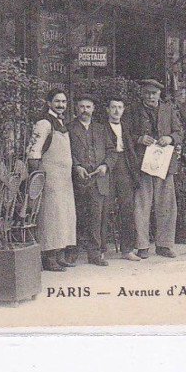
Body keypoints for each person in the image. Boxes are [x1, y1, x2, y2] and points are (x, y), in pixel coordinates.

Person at [131, 79, 184, 259]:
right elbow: (125, 133)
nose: (150, 96)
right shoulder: (133, 110)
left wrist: (170, 138)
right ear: (142, 93)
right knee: (141, 205)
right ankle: (142, 245)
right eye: (147, 93)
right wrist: (139, 139)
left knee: (166, 205)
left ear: (159, 94)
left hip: (165, 164)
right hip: (142, 164)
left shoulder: (168, 110)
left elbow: (179, 132)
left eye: (153, 93)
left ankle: (164, 245)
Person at [28, 89, 77, 272]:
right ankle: (49, 257)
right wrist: (39, 178)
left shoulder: (61, 123)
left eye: (63, 102)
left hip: (64, 179)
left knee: (64, 216)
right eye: (57, 101)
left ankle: (60, 255)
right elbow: (33, 153)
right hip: (50, 178)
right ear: (49, 103)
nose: (61, 105)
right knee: (51, 217)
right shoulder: (44, 123)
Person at [68, 95, 116, 267]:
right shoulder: (69, 129)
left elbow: (112, 151)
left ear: (93, 109)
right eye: (81, 107)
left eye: (88, 107)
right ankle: (72, 253)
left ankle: (94, 254)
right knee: (76, 217)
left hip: (98, 180)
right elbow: (66, 152)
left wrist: (105, 165)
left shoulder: (101, 129)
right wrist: (77, 166)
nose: (85, 110)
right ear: (76, 108)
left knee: (96, 218)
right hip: (78, 180)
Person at [104, 96, 141, 261]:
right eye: (113, 107)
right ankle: (101, 250)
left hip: (125, 167)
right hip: (108, 168)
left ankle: (127, 250)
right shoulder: (101, 128)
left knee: (127, 208)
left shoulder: (126, 127)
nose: (116, 111)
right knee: (105, 208)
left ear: (123, 110)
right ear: (107, 110)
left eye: (119, 107)